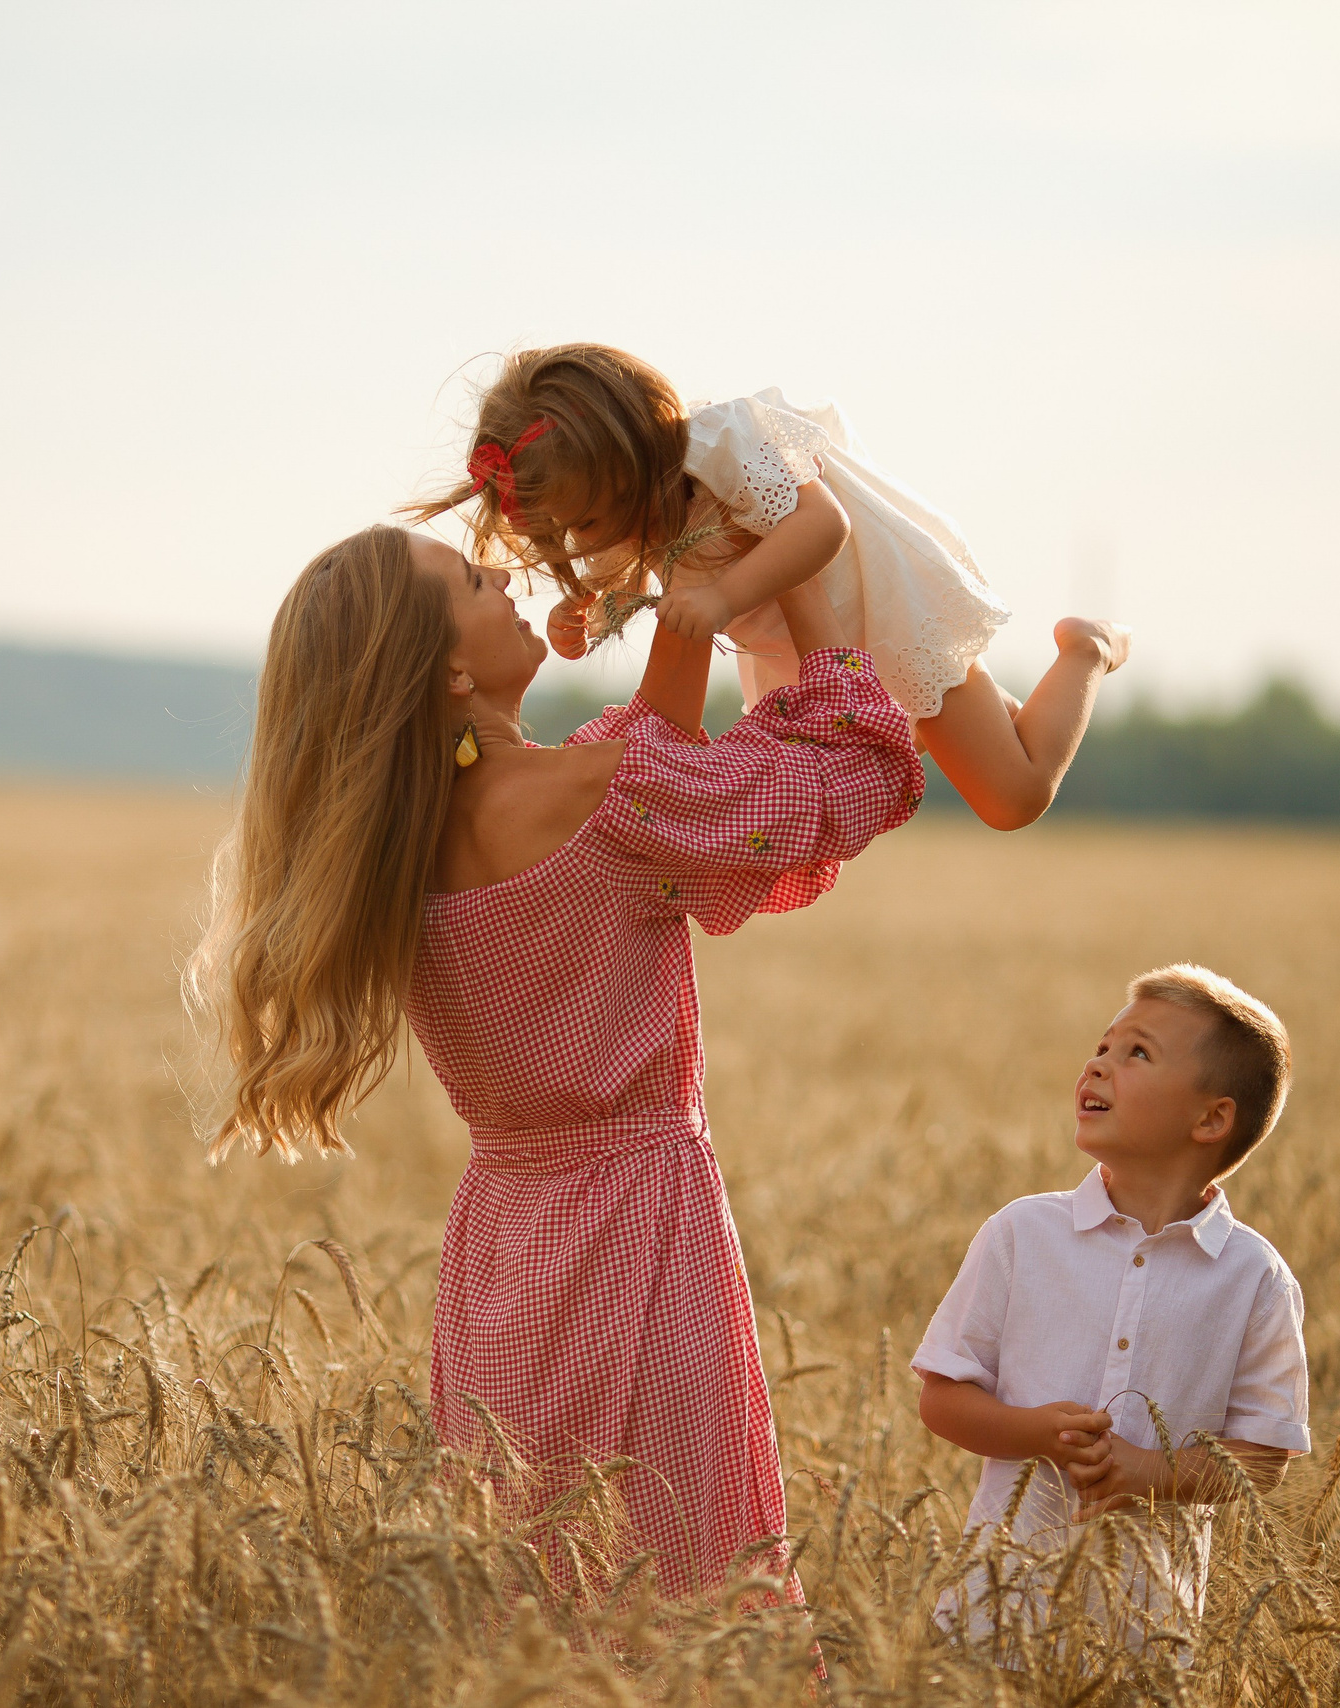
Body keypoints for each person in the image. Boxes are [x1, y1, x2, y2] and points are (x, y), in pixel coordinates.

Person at [186, 523, 924, 1604]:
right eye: (478, 583)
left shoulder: (392, 853)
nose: (510, 584)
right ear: (444, 667)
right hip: (643, 1229)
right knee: (687, 1586)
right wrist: (811, 603)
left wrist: (692, 604)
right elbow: (854, 785)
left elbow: (647, 741)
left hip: (501, 1257)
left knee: (529, 1600)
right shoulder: (608, 795)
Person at [408, 343, 1129, 830]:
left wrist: (722, 600)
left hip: (878, 622)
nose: (587, 539)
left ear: (629, 453)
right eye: (569, 531)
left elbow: (824, 526)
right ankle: (1000, 704)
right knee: (869, 773)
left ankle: (1085, 651)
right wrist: (588, 609)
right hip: (813, 661)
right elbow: (645, 569)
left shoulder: (723, 445)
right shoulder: (631, 505)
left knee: (1014, 797)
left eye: (590, 517)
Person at [910, 964, 1311, 1654]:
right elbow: (941, 1399)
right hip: (995, 1613)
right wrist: (1032, 1431)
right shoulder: (1022, 1235)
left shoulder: (1255, 1279)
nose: (1098, 1065)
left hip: (1142, 1632)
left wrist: (1151, 1474)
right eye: (1102, 1046)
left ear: (1211, 1118)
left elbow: (1264, 1459)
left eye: (1137, 1053)